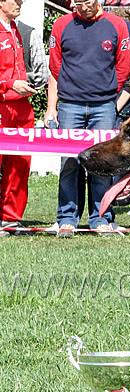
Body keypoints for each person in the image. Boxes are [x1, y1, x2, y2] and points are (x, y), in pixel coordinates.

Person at [46, 0, 130, 238]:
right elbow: (55, 64)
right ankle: (67, 218)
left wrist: (108, 93)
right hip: (69, 105)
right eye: (79, 2)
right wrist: (67, 91)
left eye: (89, 2)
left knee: (103, 163)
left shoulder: (117, 25)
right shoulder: (61, 25)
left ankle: (101, 217)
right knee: (69, 163)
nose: (84, 7)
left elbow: (123, 65)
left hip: (104, 106)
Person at [0, 0, 36, 237]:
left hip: (20, 107)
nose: (21, 3)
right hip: (2, 105)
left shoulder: (16, 29)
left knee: (20, 163)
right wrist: (11, 84)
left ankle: (11, 218)